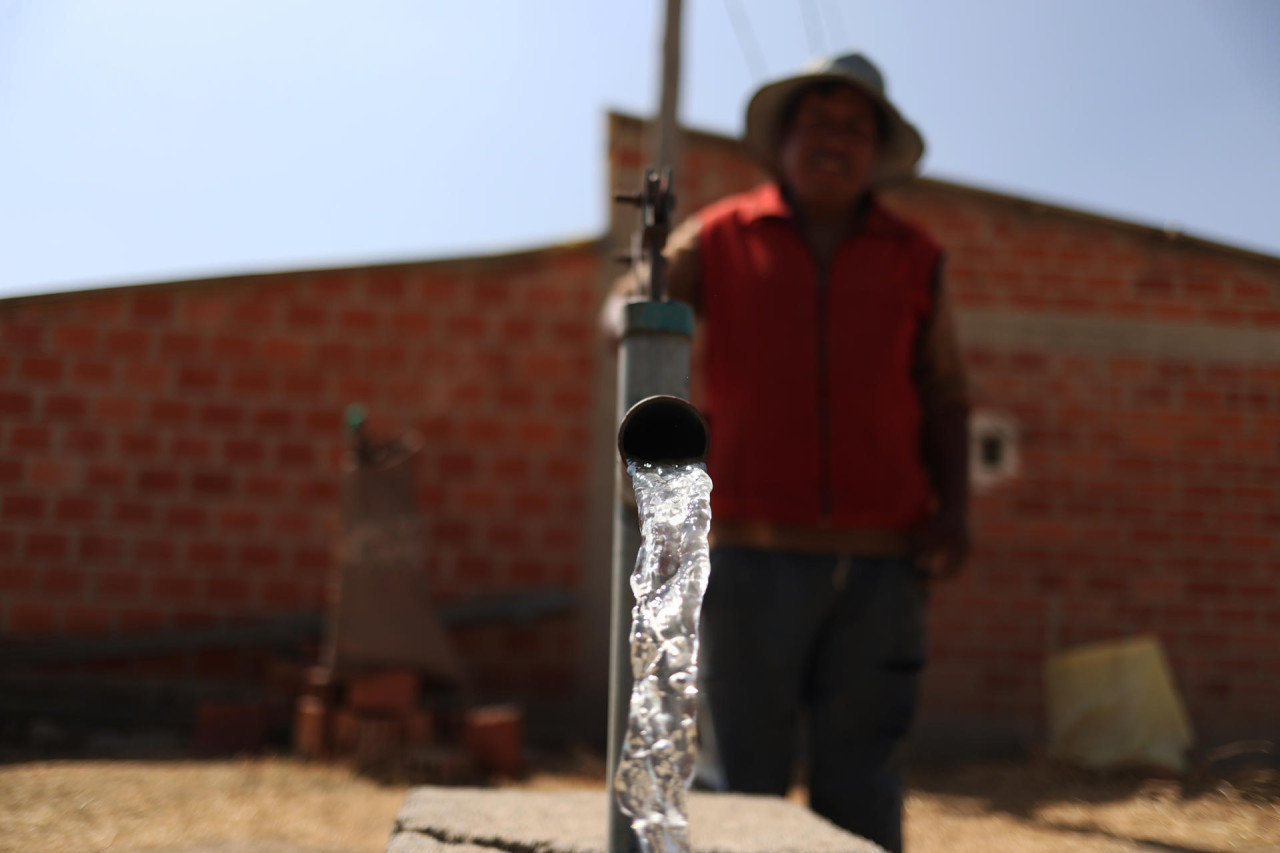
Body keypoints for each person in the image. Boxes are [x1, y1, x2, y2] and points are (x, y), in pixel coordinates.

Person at [603, 52, 970, 852]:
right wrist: (640, 304)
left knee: (863, 777)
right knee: (741, 778)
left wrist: (956, 512)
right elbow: (632, 304)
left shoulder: (915, 257)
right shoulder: (724, 235)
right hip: (745, 548)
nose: (834, 141)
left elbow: (945, 394)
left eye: (855, 128)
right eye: (817, 123)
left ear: (875, 151)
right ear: (784, 140)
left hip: (883, 559)